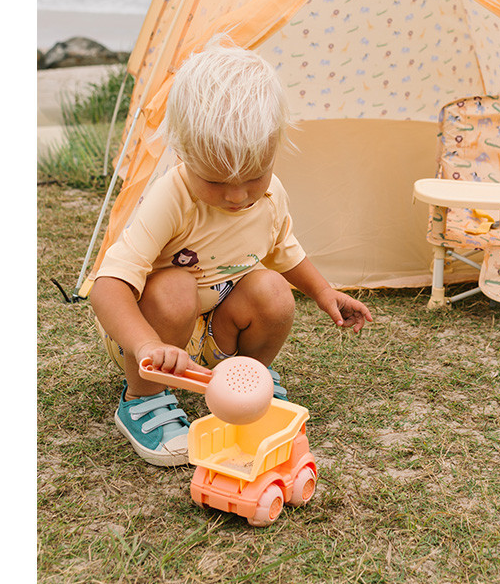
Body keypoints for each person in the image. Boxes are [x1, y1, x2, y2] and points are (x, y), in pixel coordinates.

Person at [90, 36, 373, 465]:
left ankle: (243, 378)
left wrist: (322, 292)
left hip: (212, 330)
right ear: (183, 154)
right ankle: (142, 399)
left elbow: (285, 249)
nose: (238, 196)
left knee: (272, 288)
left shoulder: (271, 196)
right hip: (147, 338)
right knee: (175, 286)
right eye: (216, 181)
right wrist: (145, 345)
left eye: (254, 176)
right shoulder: (172, 197)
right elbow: (107, 287)